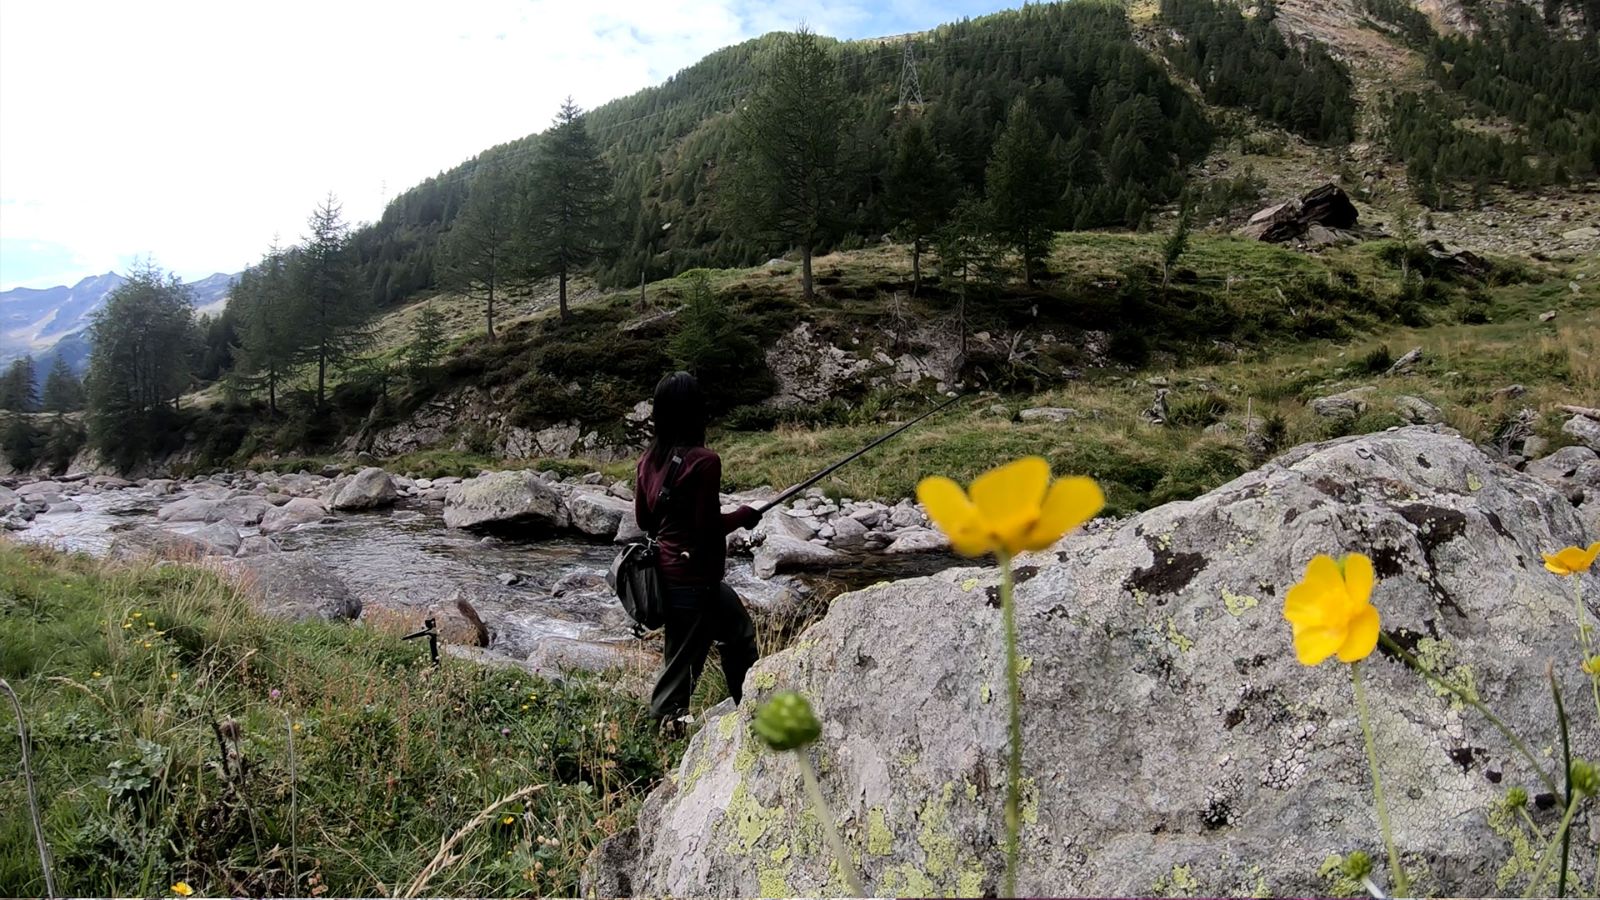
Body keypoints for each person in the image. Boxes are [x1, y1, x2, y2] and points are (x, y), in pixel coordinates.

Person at [635, 371, 762, 729]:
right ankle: (658, 738)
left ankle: (750, 711)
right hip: (693, 582)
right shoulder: (704, 461)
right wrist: (742, 516)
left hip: (671, 578)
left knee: (738, 633)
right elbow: (707, 528)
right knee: (679, 672)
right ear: (695, 411)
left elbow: (645, 521)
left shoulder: (647, 461)